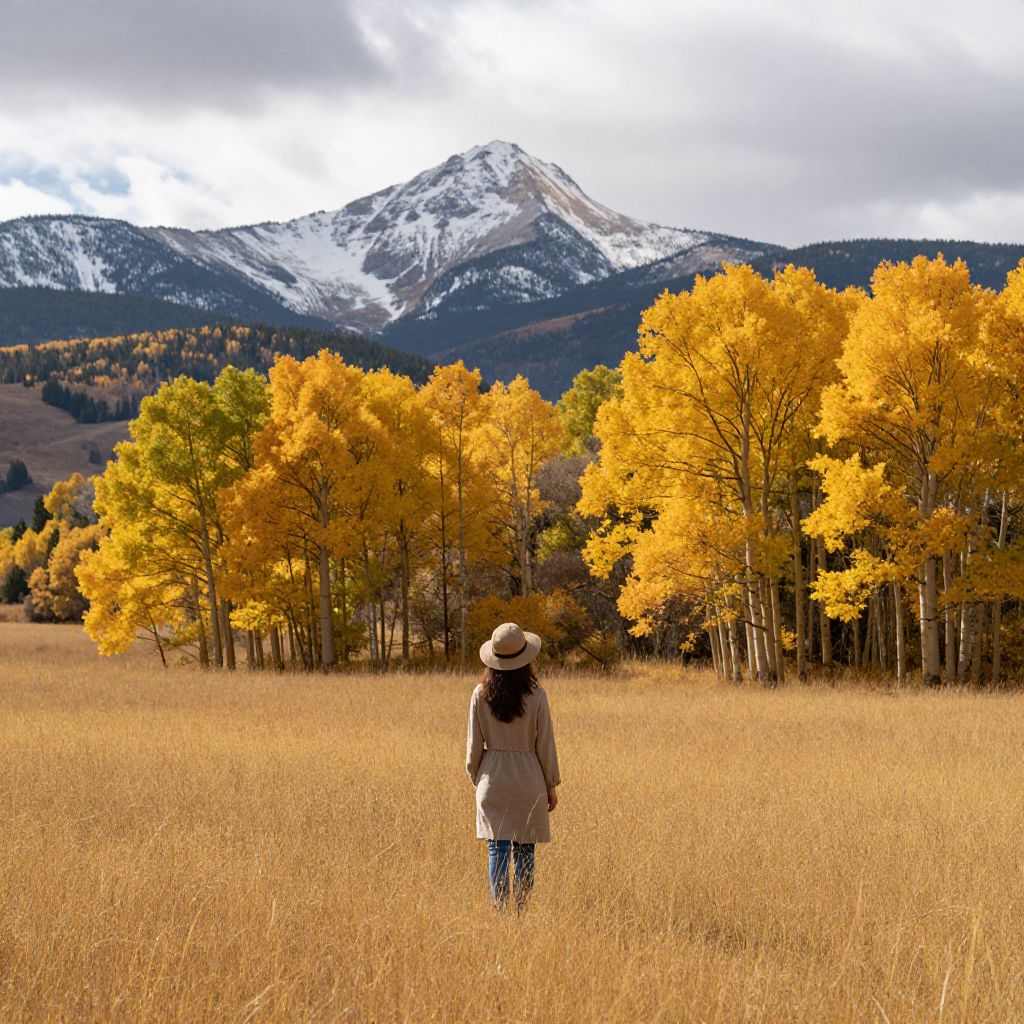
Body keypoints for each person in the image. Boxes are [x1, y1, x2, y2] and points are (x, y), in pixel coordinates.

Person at [466, 621, 561, 912]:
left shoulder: (480, 694)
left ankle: (501, 913)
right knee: (525, 850)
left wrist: (478, 778)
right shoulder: (537, 696)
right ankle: (521, 911)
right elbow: (545, 745)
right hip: (529, 781)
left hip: (491, 780)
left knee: (497, 849)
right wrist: (551, 784)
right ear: (525, 659)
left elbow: (473, 749)